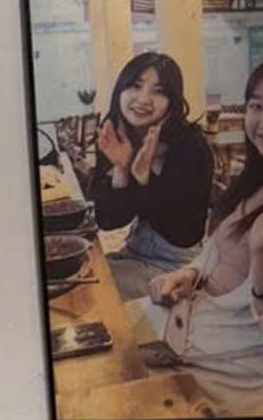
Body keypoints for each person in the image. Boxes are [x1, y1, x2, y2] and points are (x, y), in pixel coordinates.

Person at [145, 55, 263, 416]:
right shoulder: (260, 179)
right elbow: (217, 250)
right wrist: (190, 273)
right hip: (188, 335)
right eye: (256, 105)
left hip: (237, 378)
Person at [92, 52, 214, 296]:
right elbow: (108, 221)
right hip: (135, 251)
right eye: (136, 86)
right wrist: (122, 170)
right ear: (120, 90)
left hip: (176, 266)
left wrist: (146, 180)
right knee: (82, 271)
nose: (144, 99)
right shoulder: (115, 136)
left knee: (93, 290)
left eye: (159, 91)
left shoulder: (190, 144)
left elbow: (185, 233)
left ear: (172, 101)